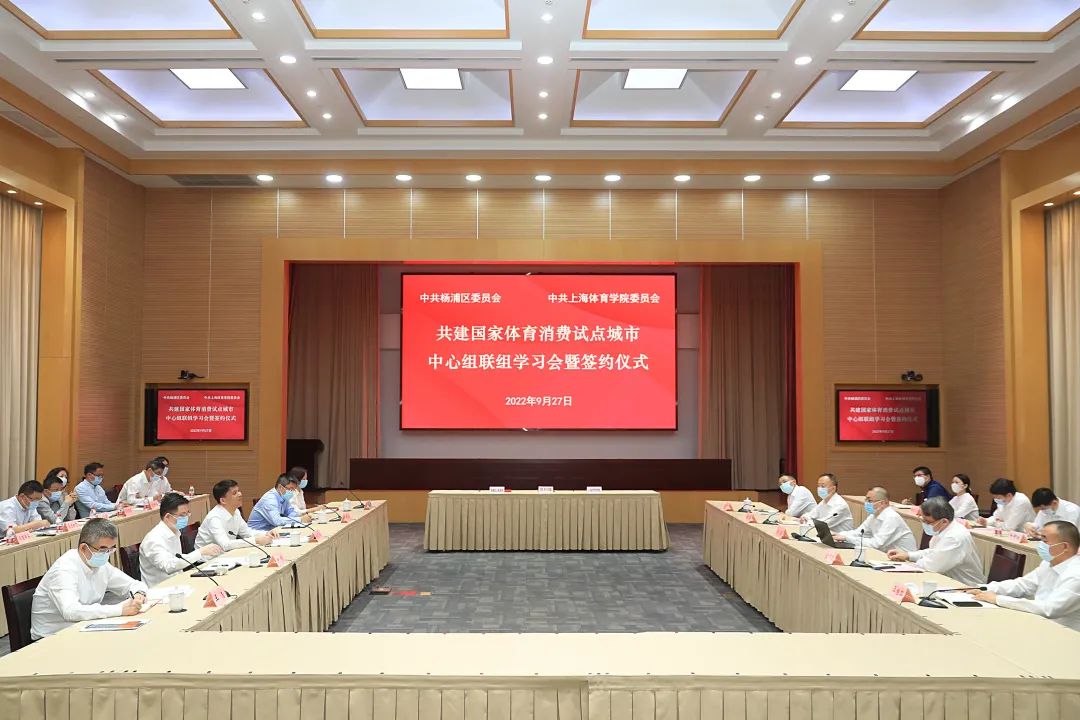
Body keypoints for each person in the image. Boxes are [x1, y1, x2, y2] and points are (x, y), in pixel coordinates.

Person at [30, 518, 149, 640]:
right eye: (102, 549)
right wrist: (119, 609)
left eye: (111, 549)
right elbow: (70, 611)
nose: (106, 554)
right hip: (52, 637)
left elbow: (133, 584)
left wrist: (139, 594)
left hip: (83, 627)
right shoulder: (64, 569)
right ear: (83, 548)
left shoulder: (101, 565)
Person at [970, 520, 1080, 630]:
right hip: (1040, 623)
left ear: (1064, 546)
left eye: (1045, 540)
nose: (1040, 545)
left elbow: (1050, 609)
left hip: (1066, 632)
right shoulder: (1048, 563)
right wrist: (984, 588)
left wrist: (998, 599)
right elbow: (1023, 585)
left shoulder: (1076, 574)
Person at [888, 497, 984, 586]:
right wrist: (908, 555)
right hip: (947, 580)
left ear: (944, 521)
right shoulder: (945, 528)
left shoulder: (954, 537)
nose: (924, 524)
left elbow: (932, 566)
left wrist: (907, 565)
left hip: (964, 586)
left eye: (927, 522)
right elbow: (933, 552)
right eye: (922, 520)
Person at [139, 492, 223, 587]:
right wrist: (200, 552)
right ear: (167, 517)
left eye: (187, 513)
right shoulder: (153, 540)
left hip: (178, 584)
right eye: (182, 515)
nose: (186, 518)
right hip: (160, 590)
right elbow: (169, 566)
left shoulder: (175, 531)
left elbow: (177, 561)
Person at [195, 479, 274, 552]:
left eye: (239, 491)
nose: (240, 494)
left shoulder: (236, 512)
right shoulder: (214, 518)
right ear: (223, 500)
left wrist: (265, 534)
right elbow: (225, 545)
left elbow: (247, 532)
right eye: (234, 493)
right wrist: (256, 540)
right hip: (206, 559)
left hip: (224, 554)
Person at [833, 486, 916, 553]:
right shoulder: (873, 516)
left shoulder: (891, 518)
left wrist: (847, 538)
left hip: (905, 560)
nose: (866, 503)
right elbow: (858, 533)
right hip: (888, 556)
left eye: (869, 500)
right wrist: (837, 535)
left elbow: (876, 544)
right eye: (866, 500)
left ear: (882, 503)